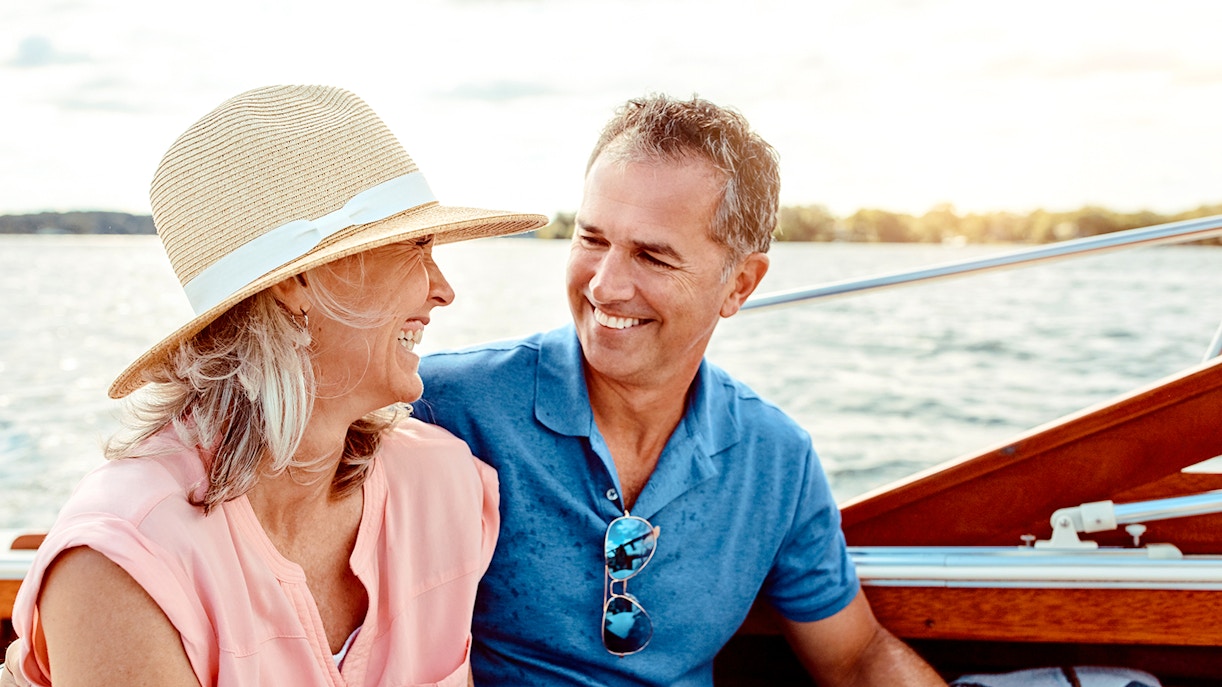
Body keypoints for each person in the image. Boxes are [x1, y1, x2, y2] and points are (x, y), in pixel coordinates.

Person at [0, 85, 547, 686]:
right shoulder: (123, 559)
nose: (443, 289)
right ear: (297, 283)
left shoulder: (446, 485)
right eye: (416, 247)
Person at [412, 94, 947, 685]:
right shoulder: (442, 406)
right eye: (592, 240)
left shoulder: (776, 458)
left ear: (739, 284)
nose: (606, 286)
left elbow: (856, 656)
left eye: (652, 257)